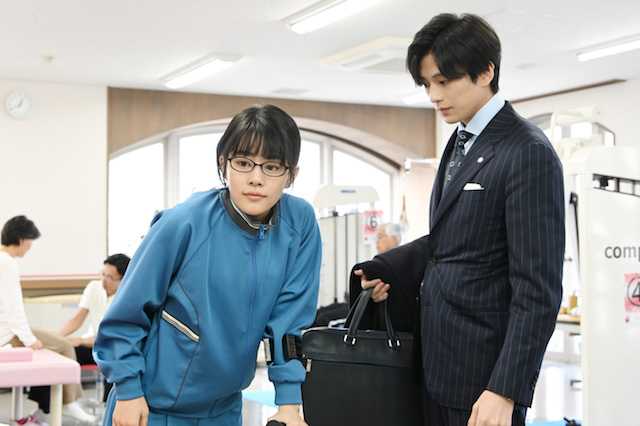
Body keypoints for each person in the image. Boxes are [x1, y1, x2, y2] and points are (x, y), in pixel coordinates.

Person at [352, 13, 565, 426]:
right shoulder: (460, 139)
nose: (434, 95)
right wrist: (387, 270)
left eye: (444, 81)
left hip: (485, 378)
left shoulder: (527, 151)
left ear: (486, 72)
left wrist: (505, 388)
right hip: (437, 367)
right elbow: (452, 240)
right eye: (426, 84)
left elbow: (537, 290)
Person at [93, 104, 322, 426]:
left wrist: (289, 403)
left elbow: (290, 322)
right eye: (243, 163)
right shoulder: (183, 223)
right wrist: (128, 390)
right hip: (150, 406)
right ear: (223, 165)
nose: (256, 179)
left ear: (291, 174)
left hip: (225, 409)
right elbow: (126, 315)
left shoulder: (300, 223)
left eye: (272, 167)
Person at [0, 215, 96, 424]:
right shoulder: (7, 263)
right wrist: (30, 341)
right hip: (7, 334)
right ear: (22, 239)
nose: (30, 246)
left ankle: (60, 403)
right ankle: (69, 403)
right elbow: (14, 310)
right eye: (30, 240)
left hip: (6, 329)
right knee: (64, 345)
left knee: (55, 338)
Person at [58, 254, 131, 396]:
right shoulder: (94, 287)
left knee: (114, 359)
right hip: (91, 345)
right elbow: (77, 319)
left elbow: (113, 339)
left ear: (124, 278)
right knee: (60, 353)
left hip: (112, 348)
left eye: (110, 277)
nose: (104, 280)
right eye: (103, 274)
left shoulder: (128, 298)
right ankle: (52, 404)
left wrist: (81, 340)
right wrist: (56, 338)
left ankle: (108, 405)